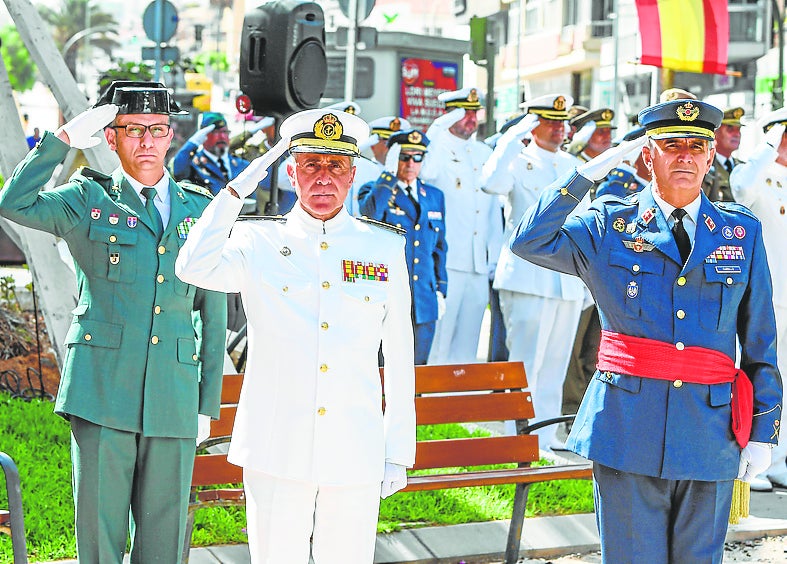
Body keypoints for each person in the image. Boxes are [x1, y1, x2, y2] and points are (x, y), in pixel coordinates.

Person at [510, 98, 781, 563]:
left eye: (697, 146)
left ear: (710, 155)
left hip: (709, 430)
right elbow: (530, 240)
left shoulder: (740, 232)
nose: (685, 156)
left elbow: (760, 340)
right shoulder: (607, 224)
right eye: (671, 145)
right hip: (626, 426)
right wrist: (585, 177)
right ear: (646, 154)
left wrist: (763, 430)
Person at [175, 108, 416, 563]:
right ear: (290, 171)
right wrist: (234, 191)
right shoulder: (255, 239)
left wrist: (397, 449)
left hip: (354, 444)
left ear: (352, 175)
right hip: (274, 446)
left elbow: (401, 355)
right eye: (311, 165)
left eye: (336, 166)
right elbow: (191, 266)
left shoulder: (383, 247)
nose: (323, 178)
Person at [0, 81, 227, 563]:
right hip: (103, 394)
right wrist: (62, 139)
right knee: (100, 543)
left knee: (164, 545)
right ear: (111, 138)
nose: (146, 141)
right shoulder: (88, 200)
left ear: (171, 136)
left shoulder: (199, 210)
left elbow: (213, 306)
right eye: (133, 130)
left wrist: (207, 401)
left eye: (157, 129)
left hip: (173, 393)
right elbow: (14, 203)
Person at [482, 93, 585, 450]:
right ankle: (517, 438)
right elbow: (490, 183)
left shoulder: (572, 164)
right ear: (534, 124)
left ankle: (543, 437)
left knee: (555, 364)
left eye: (562, 122)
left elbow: (583, 223)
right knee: (525, 364)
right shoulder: (516, 160)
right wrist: (513, 137)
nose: (559, 128)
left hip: (567, 280)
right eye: (550, 121)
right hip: (527, 277)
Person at [729, 108, 787, 492]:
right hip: (763, 296)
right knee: (756, 374)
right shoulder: (756, 172)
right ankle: (750, 458)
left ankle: (778, 458)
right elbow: (742, 185)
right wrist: (769, 142)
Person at [419, 87, 498, 364]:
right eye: (464, 113)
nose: (471, 119)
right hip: (447, 262)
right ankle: (431, 404)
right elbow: (425, 173)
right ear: (449, 114)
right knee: (439, 342)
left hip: (477, 263)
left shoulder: (483, 152)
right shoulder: (436, 148)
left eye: (474, 112)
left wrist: (494, 255)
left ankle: (461, 404)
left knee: (468, 344)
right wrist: (437, 129)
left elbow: (491, 210)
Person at [358, 128, 448, 364]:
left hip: (423, 299)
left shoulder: (434, 195)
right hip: (387, 297)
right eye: (404, 156)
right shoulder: (374, 189)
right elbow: (370, 214)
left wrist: (441, 289)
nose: (410, 163)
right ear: (393, 158)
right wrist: (387, 176)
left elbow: (439, 248)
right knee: (382, 371)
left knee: (418, 373)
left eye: (417, 157)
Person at [349, 115, 412, 216]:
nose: (394, 149)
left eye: (399, 145)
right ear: (373, 145)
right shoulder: (360, 167)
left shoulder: (410, 173)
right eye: (388, 143)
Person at [702, 107, 744, 202]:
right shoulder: (705, 166)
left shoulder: (743, 167)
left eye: (739, 129)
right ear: (715, 132)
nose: (737, 134)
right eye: (730, 128)